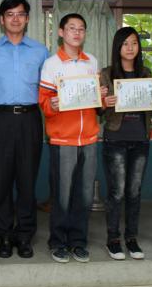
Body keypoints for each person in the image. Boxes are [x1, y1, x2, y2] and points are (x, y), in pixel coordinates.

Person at [0, 0, 49, 258]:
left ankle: (25, 235)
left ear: (27, 18)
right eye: (10, 14)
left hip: (30, 119)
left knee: (27, 180)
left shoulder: (40, 51)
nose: (15, 19)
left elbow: (49, 89)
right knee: (1, 180)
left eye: (20, 14)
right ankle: (4, 235)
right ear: (1, 20)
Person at [38, 13, 107, 263]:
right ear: (61, 32)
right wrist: (52, 105)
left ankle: (78, 241)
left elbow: (97, 103)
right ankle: (58, 242)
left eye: (81, 29)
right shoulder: (51, 64)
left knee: (85, 195)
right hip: (62, 140)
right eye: (71, 28)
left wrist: (102, 95)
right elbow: (43, 102)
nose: (77, 33)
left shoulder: (92, 62)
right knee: (62, 195)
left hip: (89, 138)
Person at [99, 27, 152, 261]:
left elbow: (151, 106)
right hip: (115, 139)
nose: (130, 48)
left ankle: (131, 238)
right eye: (125, 43)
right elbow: (98, 110)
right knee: (117, 192)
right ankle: (113, 239)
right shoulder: (107, 73)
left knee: (135, 192)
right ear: (117, 47)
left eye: (134, 43)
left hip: (140, 139)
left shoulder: (146, 73)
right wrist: (104, 102)